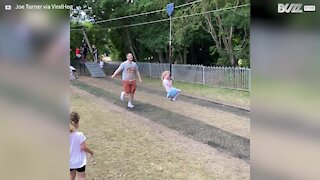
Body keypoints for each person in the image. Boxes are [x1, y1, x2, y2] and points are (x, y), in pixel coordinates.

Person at [70, 111, 93, 180]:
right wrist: (91, 152)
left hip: (69, 161)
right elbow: (83, 147)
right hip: (79, 161)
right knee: (81, 176)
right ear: (76, 123)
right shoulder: (79, 135)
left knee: (71, 175)